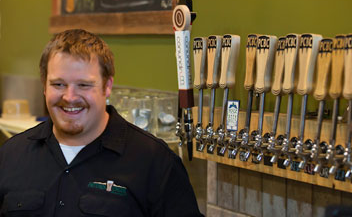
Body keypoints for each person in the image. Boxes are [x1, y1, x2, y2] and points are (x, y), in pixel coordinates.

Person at [0, 29, 203, 216]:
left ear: (107, 86)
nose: (70, 97)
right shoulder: (10, 156)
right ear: (44, 85)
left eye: (83, 85)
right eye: (58, 84)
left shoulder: (155, 162)